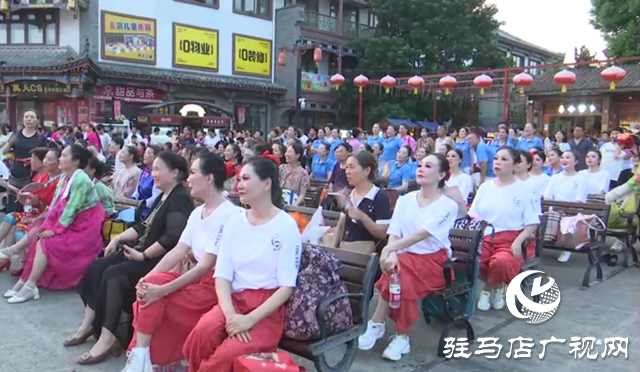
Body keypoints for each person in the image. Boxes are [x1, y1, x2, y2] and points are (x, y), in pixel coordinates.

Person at [68, 152, 194, 365]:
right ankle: (89, 324)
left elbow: (171, 239)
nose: (152, 173)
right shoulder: (163, 195)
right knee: (98, 266)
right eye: (152, 169)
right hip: (141, 251)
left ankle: (108, 339)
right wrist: (117, 240)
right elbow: (142, 225)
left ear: (174, 172)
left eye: (157, 169)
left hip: (159, 260)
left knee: (114, 275)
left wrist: (143, 254)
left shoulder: (180, 199)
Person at [123, 151, 242, 371]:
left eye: (194, 172)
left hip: (216, 286)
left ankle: (141, 359)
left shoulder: (230, 215)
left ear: (209, 178)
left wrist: (163, 289)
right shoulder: (198, 213)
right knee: (150, 286)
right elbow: (177, 250)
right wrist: (146, 279)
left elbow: (206, 265)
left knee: (155, 296)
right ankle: (141, 358)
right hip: (195, 279)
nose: (188, 179)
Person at [183, 157, 302, 372]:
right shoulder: (235, 221)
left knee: (225, 356)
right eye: (238, 179)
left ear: (266, 184)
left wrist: (249, 320)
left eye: (246, 179)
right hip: (233, 301)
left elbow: (286, 287)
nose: (239, 185)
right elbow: (222, 276)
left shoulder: (286, 225)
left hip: (266, 309)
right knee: (202, 333)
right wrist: (230, 317)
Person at [358, 154, 457, 361]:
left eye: (428, 166)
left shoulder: (448, 206)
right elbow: (395, 231)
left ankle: (392, 330)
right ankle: (394, 332)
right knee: (397, 272)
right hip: (403, 256)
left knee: (399, 273)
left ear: (441, 174)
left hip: (434, 260)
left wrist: (389, 250)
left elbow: (422, 234)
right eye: (420, 165)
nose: (421, 168)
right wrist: (391, 252)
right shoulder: (405, 200)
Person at [4, 145, 106, 303]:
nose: (60, 158)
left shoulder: (81, 180)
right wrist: (48, 224)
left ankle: (29, 285)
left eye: (64, 155)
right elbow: (55, 205)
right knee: (39, 235)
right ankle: (26, 282)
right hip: (72, 221)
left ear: (76, 161)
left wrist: (55, 229)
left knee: (45, 242)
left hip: (84, 227)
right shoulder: (66, 176)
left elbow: (71, 209)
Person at [469, 147, 539, 311]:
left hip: (511, 237)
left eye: (504, 159)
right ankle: (499, 286)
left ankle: (487, 290)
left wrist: (518, 242)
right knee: (476, 261)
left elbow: (532, 222)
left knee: (502, 261)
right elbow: (474, 213)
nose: (498, 162)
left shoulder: (524, 190)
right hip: (484, 236)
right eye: (496, 158)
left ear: (515, 165)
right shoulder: (486, 187)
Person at [0, 147, 63, 275]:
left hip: (46, 216)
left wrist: (33, 201)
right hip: (35, 212)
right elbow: (32, 202)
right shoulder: (39, 177)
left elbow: (51, 206)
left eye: (35, 159)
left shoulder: (59, 182)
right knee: (10, 217)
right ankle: (5, 257)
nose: (31, 161)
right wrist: (24, 198)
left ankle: (20, 262)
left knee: (20, 226)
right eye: (44, 158)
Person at [544, 149, 588, 263]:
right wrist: (555, 207)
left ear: (576, 161)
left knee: (567, 219)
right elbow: (547, 196)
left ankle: (566, 247)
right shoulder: (555, 178)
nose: (564, 160)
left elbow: (579, 199)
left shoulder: (581, 178)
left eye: (568, 158)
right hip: (554, 209)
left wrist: (564, 209)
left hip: (572, 210)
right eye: (563, 157)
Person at [342, 151, 392, 245]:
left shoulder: (380, 196)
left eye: (352, 167)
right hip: (348, 250)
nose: (347, 172)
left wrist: (362, 217)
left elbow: (383, 234)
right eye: (346, 167)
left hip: (368, 254)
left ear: (367, 171)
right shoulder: (349, 195)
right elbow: (342, 227)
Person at [2, 110, 48, 211]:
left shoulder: (40, 138)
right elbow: (4, 152)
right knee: (12, 206)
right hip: (15, 172)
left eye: (32, 117)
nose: (29, 119)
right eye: (26, 117)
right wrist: (10, 143)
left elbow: (44, 158)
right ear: (22, 120)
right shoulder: (15, 134)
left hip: (31, 174)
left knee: (27, 205)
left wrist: (32, 160)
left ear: (37, 121)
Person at [131, 146, 162, 218]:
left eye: (148, 153)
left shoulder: (158, 174)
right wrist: (133, 199)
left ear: (155, 156)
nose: (144, 155)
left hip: (148, 210)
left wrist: (141, 205)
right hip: (137, 206)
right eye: (145, 152)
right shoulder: (144, 171)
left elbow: (155, 197)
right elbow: (137, 190)